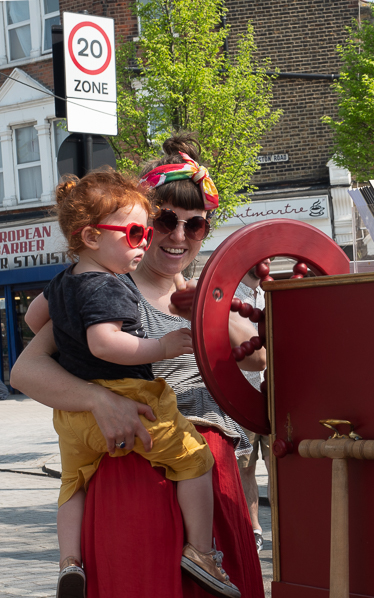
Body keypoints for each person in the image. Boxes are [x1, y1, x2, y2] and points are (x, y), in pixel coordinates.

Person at [10, 134, 266, 598]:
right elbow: (25, 371)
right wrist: (99, 400)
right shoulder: (105, 289)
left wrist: (212, 307)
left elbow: (261, 357)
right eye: (165, 221)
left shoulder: (207, 294)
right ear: (142, 225)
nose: (179, 237)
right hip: (136, 470)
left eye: (197, 226)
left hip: (211, 473)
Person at [234, 267, 269, 552]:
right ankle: (254, 529)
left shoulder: (272, 295)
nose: (266, 259)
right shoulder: (232, 301)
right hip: (244, 395)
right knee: (246, 468)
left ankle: (287, 531)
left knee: (281, 470)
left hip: (275, 396)